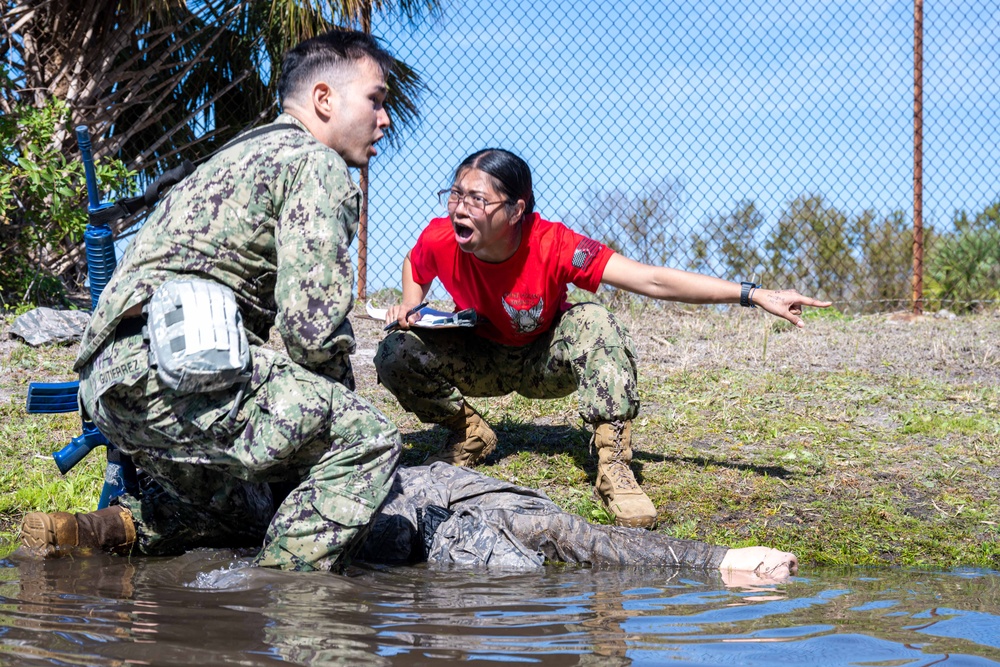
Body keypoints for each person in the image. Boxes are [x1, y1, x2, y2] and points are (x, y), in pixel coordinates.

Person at [19, 30, 401, 572]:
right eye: (376, 100)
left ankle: (102, 530)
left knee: (253, 509)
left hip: (110, 385)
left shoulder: (240, 153)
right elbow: (311, 331)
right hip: (180, 367)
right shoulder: (315, 164)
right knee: (368, 440)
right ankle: (283, 599)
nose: (384, 119)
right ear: (324, 99)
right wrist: (337, 409)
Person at [374, 148, 832, 530]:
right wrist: (412, 306)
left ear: (516, 209)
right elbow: (416, 264)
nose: (459, 208)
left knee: (595, 320)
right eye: (455, 194)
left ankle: (614, 465)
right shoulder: (441, 236)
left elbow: (651, 280)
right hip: (481, 357)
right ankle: (470, 435)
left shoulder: (554, 243)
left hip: (543, 361)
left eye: (477, 198)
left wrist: (751, 294)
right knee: (395, 349)